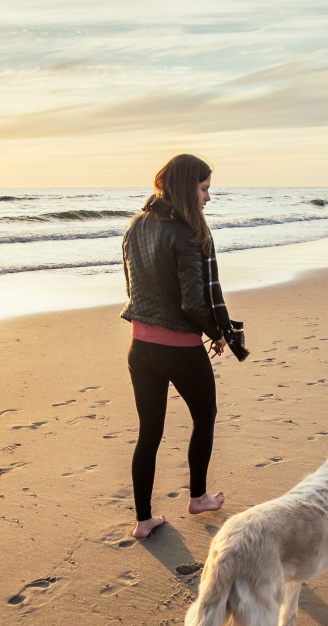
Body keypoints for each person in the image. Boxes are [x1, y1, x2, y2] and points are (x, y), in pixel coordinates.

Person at [120, 153, 240, 539]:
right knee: (205, 417)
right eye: (204, 188)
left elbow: (134, 285)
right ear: (189, 188)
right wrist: (217, 332)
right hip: (180, 349)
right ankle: (198, 497)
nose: (208, 197)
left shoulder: (135, 225)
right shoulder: (189, 233)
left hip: (140, 347)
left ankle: (142, 521)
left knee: (149, 433)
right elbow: (192, 301)